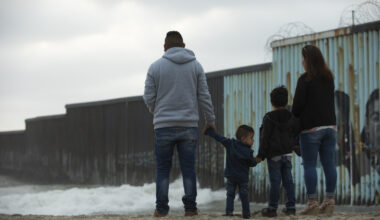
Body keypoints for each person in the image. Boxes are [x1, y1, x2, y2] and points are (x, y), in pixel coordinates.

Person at [143, 31, 216, 217]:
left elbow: (148, 97)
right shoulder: (196, 66)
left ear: (165, 47)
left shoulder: (155, 67)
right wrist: (210, 120)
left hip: (163, 126)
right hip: (188, 126)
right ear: (184, 46)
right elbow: (204, 96)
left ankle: (161, 210)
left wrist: (158, 113)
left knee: (162, 170)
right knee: (188, 169)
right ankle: (190, 208)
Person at [292, 45, 337, 215]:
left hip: (311, 128)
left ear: (308, 60)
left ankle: (312, 203)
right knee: (329, 163)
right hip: (330, 127)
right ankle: (329, 200)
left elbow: (296, 108)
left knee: (309, 164)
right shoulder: (329, 77)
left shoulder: (304, 80)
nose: (301, 61)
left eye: (303, 58)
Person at [256, 86, 298, 217]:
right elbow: (295, 135)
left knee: (275, 182)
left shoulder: (268, 117)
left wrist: (260, 155)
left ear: (271, 102)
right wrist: (298, 150)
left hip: (273, 155)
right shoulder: (291, 117)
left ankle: (272, 208)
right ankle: (291, 207)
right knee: (288, 181)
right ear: (286, 101)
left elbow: (265, 138)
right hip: (287, 154)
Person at [204, 125, 257, 219]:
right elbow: (252, 163)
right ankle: (246, 214)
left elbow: (219, 138)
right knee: (244, 196)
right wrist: (257, 159)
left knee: (230, 195)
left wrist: (209, 131)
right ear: (243, 138)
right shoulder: (248, 151)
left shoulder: (230, 143)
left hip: (231, 176)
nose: (253, 140)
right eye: (251, 138)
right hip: (242, 178)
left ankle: (229, 212)